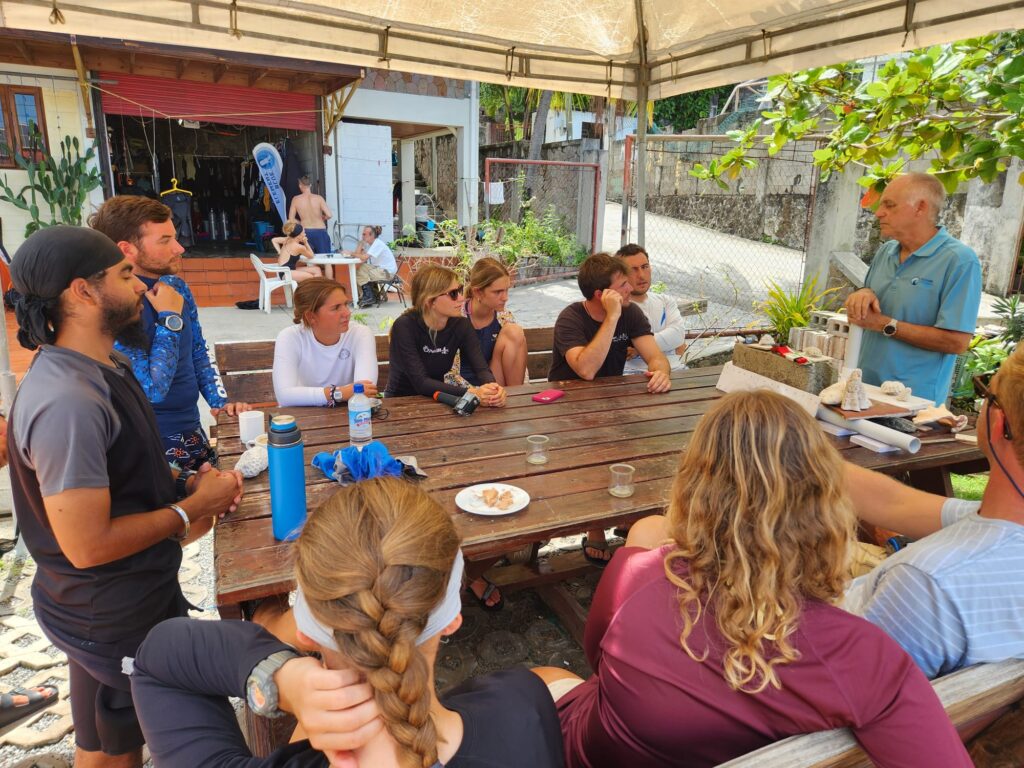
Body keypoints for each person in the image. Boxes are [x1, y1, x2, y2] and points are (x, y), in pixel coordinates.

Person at [531, 390, 971, 768]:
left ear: (694, 489)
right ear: (825, 505)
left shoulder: (636, 576)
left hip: (587, 751)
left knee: (535, 679)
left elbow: (598, 666)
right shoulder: (863, 657)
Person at [5, 226, 243, 768]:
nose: (141, 286)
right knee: (144, 743)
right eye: (125, 274)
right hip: (110, 615)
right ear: (82, 292)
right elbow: (87, 544)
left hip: (104, 605)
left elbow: (125, 470)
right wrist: (189, 511)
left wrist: (185, 482)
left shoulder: (103, 364)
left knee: (102, 738)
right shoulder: (67, 399)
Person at [130, 477, 565, 768]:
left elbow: (157, 661)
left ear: (302, 631)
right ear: (452, 617)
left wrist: (281, 677)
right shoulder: (524, 707)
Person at [842, 343, 1024, 679]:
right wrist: (799, 453)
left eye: (987, 390)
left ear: (999, 423)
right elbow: (896, 504)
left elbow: (841, 702)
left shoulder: (927, 586)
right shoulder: (1001, 529)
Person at [91, 196, 251, 471]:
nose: (179, 248)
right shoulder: (115, 304)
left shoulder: (175, 286)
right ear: (127, 249)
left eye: (174, 237)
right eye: (164, 240)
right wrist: (169, 319)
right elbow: (152, 392)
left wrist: (220, 403)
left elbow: (198, 350)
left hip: (192, 431)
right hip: (150, 442)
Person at [385, 263, 507, 610]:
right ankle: (417, 568)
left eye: (461, 291)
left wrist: (491, 387)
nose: (461, 297)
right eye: (454, 293)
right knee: (415, 496)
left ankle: (464, 565)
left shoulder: (459, 324)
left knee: (460, 480)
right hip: (403, 410)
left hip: (440, 407)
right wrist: (472, 394)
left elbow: (479, 365)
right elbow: (419, 382)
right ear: (429, 300)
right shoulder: (406, 326)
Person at [549, 252, 671, 566]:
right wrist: (612, 317)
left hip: (613, 404)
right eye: (622, 285)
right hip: (567, 409)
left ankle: (637, 517)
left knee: (650, 442)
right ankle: (595, 529)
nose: (631, 287)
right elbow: (586, 370)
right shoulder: (571, 318)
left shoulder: (631, 313)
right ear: (602, 295)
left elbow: (656, 357)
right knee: (593, 449)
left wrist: (661, 372)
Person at [845, 172, 982, 405]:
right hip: (864, 391)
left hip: (914, 402)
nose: (879, 212)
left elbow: (957, 342)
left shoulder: (959, 261)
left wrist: (886, 325)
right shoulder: (886, 251)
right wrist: (863, 293)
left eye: (889, 205)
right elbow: (870, 304)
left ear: (920, 208)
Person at [273, 277, 378, 407]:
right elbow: (284, 396)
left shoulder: (360, 333)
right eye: (336, 308)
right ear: (310, 316)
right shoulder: (290, 337)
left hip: (349, 417)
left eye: (345, 304)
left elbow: (365, 390)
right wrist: (338, 393)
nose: (347, 313)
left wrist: (334, 394)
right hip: (303, 418)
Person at [446, 257, 528, 388]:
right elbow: (448, 374)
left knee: (514, 331)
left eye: (507, 290)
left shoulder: (504, 318)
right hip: (463, 389)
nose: (505, 298)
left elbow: (517, 364)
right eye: (498, 292)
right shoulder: (456, 316)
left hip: (494, 385)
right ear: (477, 291)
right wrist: (475, 392)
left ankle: (514, 398)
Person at [615, 244, 688, 374]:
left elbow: (678, 335)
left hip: (677, 369)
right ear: (621, 275)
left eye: (645, 267)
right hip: (631, 373)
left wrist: (639, 348)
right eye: (633, 270)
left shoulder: (666, 301)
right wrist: (667, 343)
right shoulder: (617, 306)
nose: (641, 275)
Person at [344, 225, 397, 309]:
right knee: (361, 269)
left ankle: (368, 297)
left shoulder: (377, 243)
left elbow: (363, 257)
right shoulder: (370, 245)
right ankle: (368, 296)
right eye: (362, 234)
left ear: (371, 235)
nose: (362, 236)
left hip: (387, 273)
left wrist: (350, 253)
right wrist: (360, 244)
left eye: (364, 234)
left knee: (361, 272)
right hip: (380, 270)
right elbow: (359, 258)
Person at [287, 175, 333, 255]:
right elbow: (329, 215)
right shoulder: (319, 198)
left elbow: (291, 219)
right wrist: (323, 218)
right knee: (326, 260)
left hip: (306, 232)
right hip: (320, 231)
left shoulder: (296, 199)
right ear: (310, 185)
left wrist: (301, 222)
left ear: (300, 185)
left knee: (309, 260)